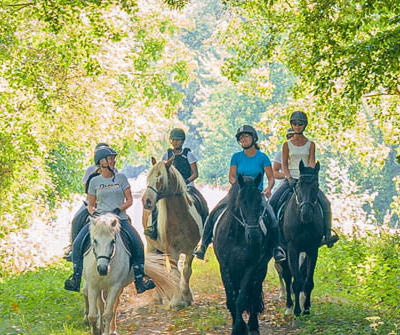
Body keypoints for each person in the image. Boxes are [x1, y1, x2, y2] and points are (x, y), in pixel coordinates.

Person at [64, 144, 155, 294]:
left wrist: (118, 210)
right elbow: (90, 204)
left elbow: (129, 200)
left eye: (114, 158)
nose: (113, 160)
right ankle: (76, 277)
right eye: (110, 158)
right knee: (79, 242)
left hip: (120, 220)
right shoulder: (94, 181)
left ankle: (140, 279)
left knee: (138, 243)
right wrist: (94, 214)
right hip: (100, 220)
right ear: (102, 161)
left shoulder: (121, 178)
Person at [193, 124, 281, 261]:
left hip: (256, 195)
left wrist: (268, 189)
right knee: (214, 212)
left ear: (253, 138)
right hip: (238, 193)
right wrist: (239, 187)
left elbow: (271, 177)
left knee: (272, 217)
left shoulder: (262, 157)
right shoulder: (236, 157)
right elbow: (232, 176)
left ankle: (277, 248)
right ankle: (203, 244)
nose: (243, 139)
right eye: (241, 137)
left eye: (246, 136)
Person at [271, 109, 338, 248]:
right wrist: (288, 177)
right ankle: (272, 239)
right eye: (295, 123)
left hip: (307, 180)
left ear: (304, 125)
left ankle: (327, 235)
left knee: (325, 203)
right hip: (291, 179)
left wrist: (310, 175)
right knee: (273, 202)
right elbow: (284, 164)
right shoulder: (286, 145)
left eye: (300, 123)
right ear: (292, 125)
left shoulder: (311, 144)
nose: (297, 126)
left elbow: (312, 161)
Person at [145, 126, 211, 240]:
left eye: (177, 140)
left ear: (182, 141)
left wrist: (186, 181)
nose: (175, 142)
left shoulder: (188, 154)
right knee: (157, 204)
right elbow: (161, 171)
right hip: (171, 189)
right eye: (173, 140)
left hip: (187, 187)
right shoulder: (167, 155)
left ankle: (206, 230)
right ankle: (154, 227)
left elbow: (195, 173)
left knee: (201, 202)